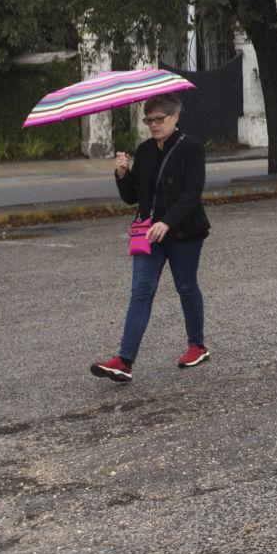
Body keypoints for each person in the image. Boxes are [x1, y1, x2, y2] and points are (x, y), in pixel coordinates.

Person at [90, 93, 210, 383]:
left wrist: (168, 222)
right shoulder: (144, 151)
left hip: (185, 232)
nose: (154, 125)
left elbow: (192, 193)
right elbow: (133, 197)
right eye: (149, 120)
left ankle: (197, 345)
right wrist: (122, 174)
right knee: (141, 292)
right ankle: (124, 361)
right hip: (149, 234)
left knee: (186, 286)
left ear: (175, 117)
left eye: (159, 119)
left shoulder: (191, 148)